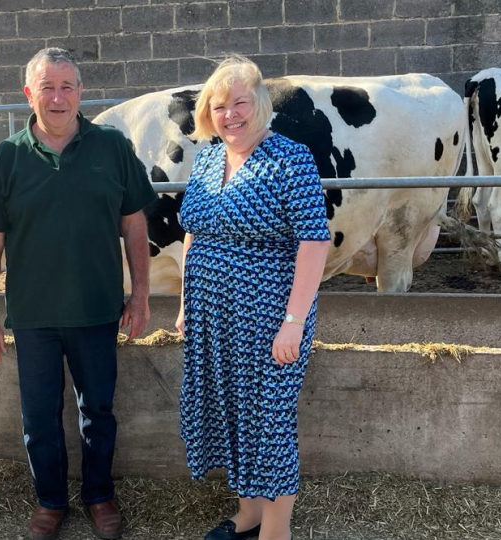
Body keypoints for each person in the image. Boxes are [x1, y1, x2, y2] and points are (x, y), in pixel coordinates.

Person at [0, 47, 156, 540]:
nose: (57, 97)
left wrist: (140, 297)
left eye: (67, 86)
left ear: (81, 93)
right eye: (46, 87)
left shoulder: (112, 147)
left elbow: (135, 224)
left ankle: (99, 496)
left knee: (98, 409)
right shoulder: (7, 157)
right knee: (39, 417)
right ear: (28, 94)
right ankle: (49, 502)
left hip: (97, 311)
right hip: (32, 316)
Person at [174, 56, 331, 540]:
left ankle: (276, 529)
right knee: (231, 412)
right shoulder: (206, 158)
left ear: (259, 103)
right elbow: (194, 234)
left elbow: (314, 241)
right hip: (213, 316)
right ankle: (250, 511)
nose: (230, 114)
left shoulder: (290, 158)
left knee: (270, 420)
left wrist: (293, 322)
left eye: (240, 102)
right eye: (219, 105)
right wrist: (185, 304)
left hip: (269, 319)